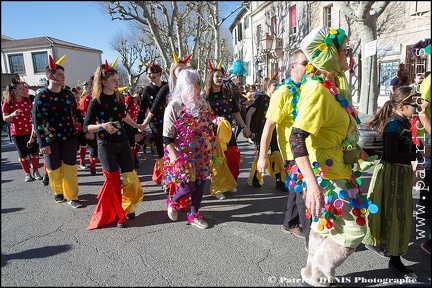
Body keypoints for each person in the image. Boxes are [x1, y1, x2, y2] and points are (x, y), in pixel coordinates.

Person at [285, 26, 378, 286]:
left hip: (338, 169)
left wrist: (355, 149)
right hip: (327, 176)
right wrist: (313, 187)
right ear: (328, 54)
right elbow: (296, 137)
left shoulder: (331, 86)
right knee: (353, 230)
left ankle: (313, 275)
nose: (348, 55)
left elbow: (330, 131)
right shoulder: (317, 88)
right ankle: (316, 273)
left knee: (323, 224)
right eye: (345, 50)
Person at [362, 86, 422, 279]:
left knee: (398, 215)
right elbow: (391, 155)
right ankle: (394, 260)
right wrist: (420, 155)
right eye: (415, 105)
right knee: (396, 216)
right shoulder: (392, 126)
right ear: (402, 106)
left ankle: (390, 251)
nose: (418, 108)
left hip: (401, 174)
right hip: (391, 175)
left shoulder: (404, 122)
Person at [257, 49, 310, 242]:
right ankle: (310, 236)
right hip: (292, 151)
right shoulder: (282, 93)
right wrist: (263, 156)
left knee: (297, 188)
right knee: (304, 190)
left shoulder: (308, 88)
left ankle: (290, 223)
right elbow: (268, 127)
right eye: (305, 63)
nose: (308, 67)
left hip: (309, 148)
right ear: (293, 66)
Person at [84, 61, 144, 229]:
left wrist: (136, 126)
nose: (118, 83)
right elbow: (86, 126)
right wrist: (102, 126)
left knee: (130, 179)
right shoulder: (95, 102)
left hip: (123, 142)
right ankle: (120, 215)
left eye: (118, 80)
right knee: (113, 183)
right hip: (105, 145)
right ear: (104, 82)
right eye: (114, 80)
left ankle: (128, 207)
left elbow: (123, 116)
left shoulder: (118, 97)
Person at [163, 69, 218, 229]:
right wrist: (175, 158)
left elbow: (209, 122)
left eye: (199, 82)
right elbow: (167, 137)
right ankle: (173, 202)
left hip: (201, 150)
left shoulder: (203, 103)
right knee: (189, 186)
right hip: (182, 152)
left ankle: (194, 215)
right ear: (187, 85)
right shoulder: (175, 105)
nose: (199, 86)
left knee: (200, 183)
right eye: (195, 83)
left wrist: (216, 121)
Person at [32, 55, 85, 208]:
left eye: (63, 74)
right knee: (53, 169)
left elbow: (77, 114)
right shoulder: (41, 96)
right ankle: (58, 192)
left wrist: (86, 128)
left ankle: (72, 197)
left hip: (69, 136)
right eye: (60, 75)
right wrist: (42, 142)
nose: (64, 77)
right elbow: (37, 121)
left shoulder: (68, 94)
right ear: (51, 77)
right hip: (50, 139)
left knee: (70, 167)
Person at [204, 60, 251, 200]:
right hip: (213, 133)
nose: (219, 79)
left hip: (228, 132)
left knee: (234, 158)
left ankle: (230, 182)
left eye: (221, 76)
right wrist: (214, 120)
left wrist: (244, 127)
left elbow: (236, 112)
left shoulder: (229, 94)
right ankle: (217, 188)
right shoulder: (205, 96)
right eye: (216, 76)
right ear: (211, 78)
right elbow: (204, 115)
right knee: (217, 161)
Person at [246, 75, 288, 192]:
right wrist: (247, 128)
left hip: (276, 132)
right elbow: (249, 113)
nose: (277, 87)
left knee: (278, 156)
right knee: (261, 155)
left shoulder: (280, 98)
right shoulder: (261, 99)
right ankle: (255, 178)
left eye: (278, 85)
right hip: (262, 132)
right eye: (275, 85)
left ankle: (280, 181)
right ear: (268, 87)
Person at [2, 78, 42, 182]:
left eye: (23, 88)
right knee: (22, 153)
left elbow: (34, 113)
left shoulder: (27, 100)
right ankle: (27, 173)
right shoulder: (8, 102)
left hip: (30, 131)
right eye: (20, 88)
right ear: (14, 90)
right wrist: (12, 114)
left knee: (34, 152)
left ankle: (36, 171)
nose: (23, 90)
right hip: (17, 132)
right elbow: (4, 118)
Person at [137, 62, 168, 188]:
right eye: (148, 75)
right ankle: (166, 179)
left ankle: (173, 174)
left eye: (153, 75)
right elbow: (143, 108)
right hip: (155, 123)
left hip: (170, 121)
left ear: (159, 74)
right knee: (161, 150)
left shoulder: (168, 86)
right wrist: (138, 127)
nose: (150, 77)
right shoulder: (147, 90)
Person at [78, 77, 99, 175]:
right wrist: (88, 131)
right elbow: (83, 115)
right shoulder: (87, 98)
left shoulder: (100, 97)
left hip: (102, 127)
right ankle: (92, 167)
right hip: (91, 128)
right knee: (93, 148)